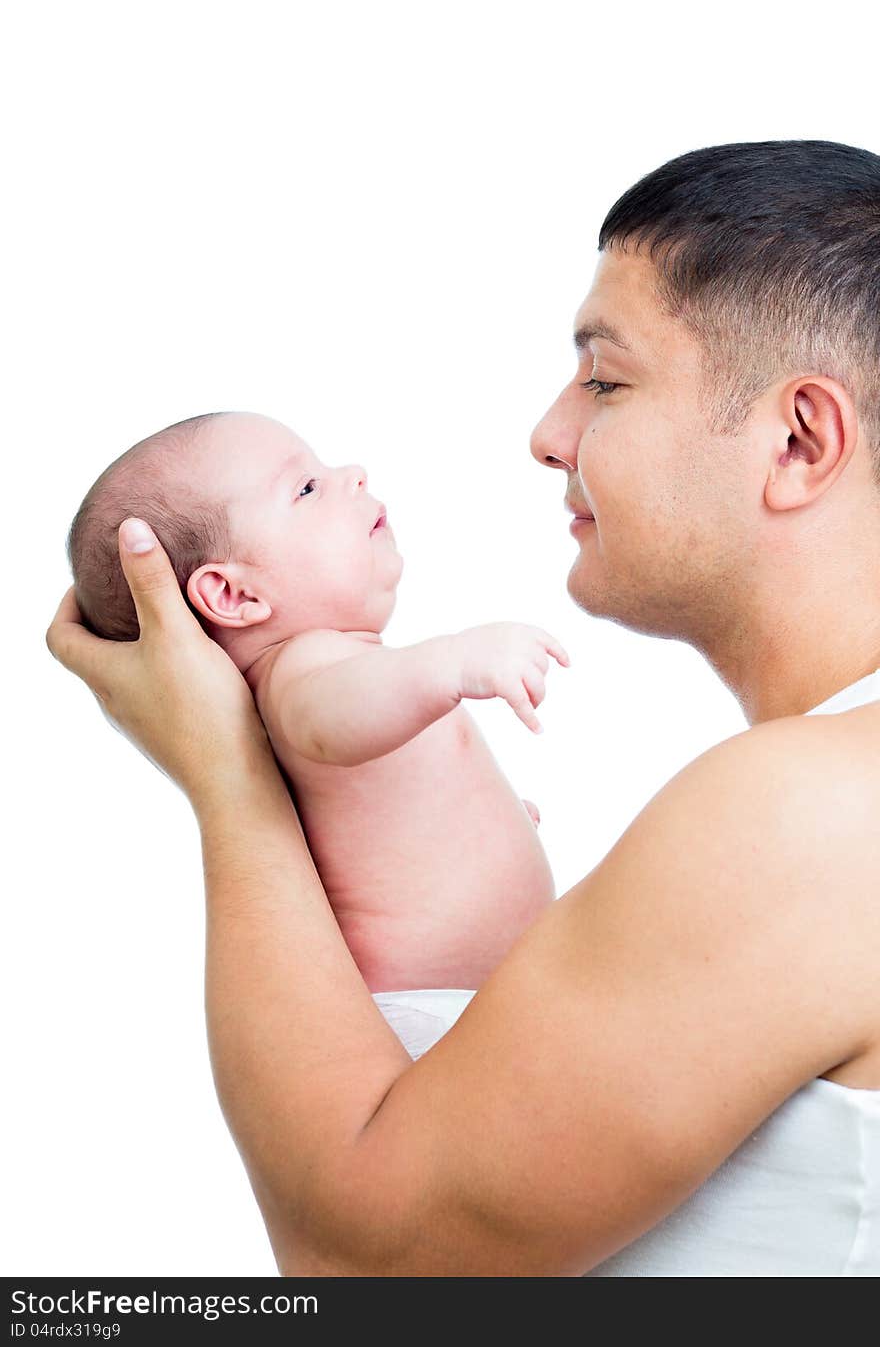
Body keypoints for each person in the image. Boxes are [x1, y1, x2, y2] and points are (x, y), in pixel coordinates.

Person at [46, 139, 880, 1276]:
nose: (547, 434)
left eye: (604, 379)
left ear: (797, 439)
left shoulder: (812, 814)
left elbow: (365, 1271)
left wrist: (226, 773)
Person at [65, 410, 569, 1051]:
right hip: (428, 1018)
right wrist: (452, 662)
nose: (352, 475)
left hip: (477, 1002)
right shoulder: (299, 676)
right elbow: (335, 719)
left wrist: (479, 824)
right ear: (234, 595)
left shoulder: (346, 667)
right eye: (305, 489)